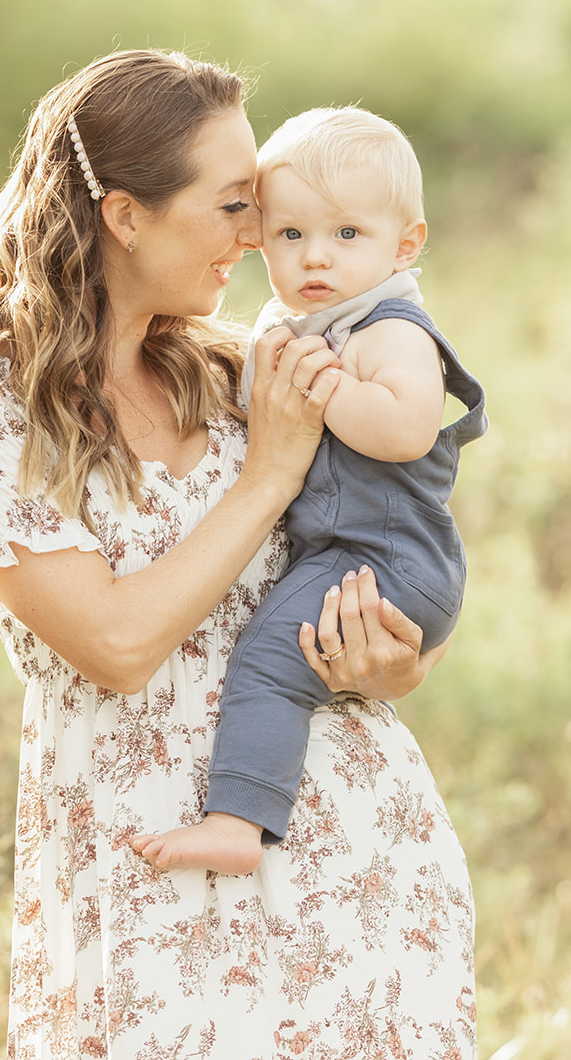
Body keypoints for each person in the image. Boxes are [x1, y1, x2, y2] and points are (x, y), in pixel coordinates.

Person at [0, 52, 478, 1059]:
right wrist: (267, 477)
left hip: (355, 857)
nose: (258, 239)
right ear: (125, 216)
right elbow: (114, 644)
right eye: (235, 205)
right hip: (150, 859)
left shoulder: (247, 368)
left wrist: (397, 661)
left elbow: (391, 554)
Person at [132, 107, 486, 878]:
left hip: (385, 561)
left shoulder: (388, 329)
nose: (314, 257)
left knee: (265, 660)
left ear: (407, 244)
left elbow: (404, 431)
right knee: (279, 656)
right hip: (363, 553)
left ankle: (237, 821)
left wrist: (320, 388)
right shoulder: (308, 328)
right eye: (291, 236)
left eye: (346, 235)